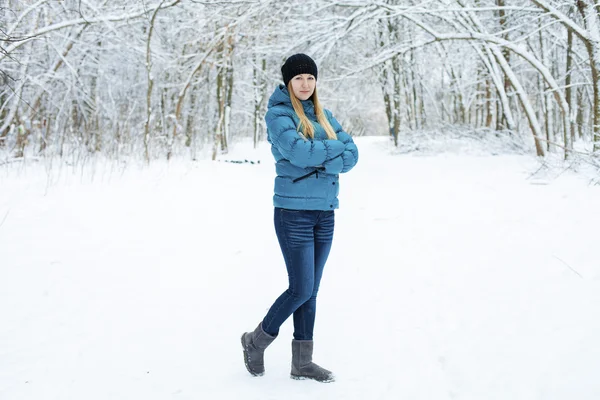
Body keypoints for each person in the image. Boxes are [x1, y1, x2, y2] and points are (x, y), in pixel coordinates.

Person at [241, 53, 359, 383]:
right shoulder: (278, 115)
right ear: (288, 82)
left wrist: (323, 153)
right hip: (293, 213)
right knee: (300, 288)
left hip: (325, 212)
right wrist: (332, 149)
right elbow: (298, 152)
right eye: (298, 79)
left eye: (310, 78)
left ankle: (302, 362)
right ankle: (256, 340)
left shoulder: (324, 115)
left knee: (312, 290)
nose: (305, 84)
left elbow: (353, 155)